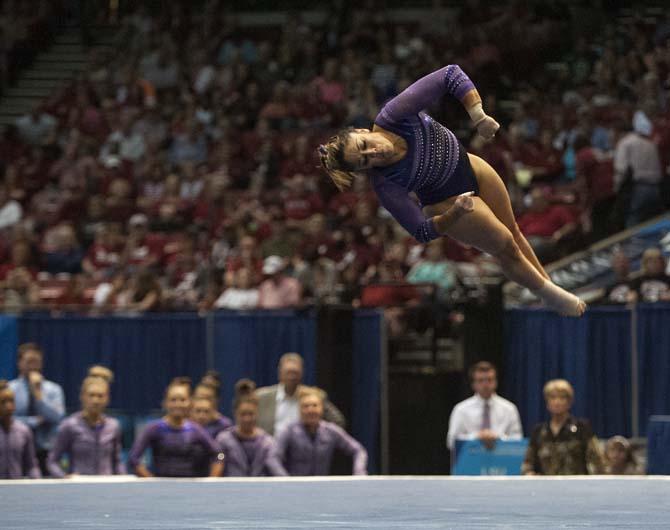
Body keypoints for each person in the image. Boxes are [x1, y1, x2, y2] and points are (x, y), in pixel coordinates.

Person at [318, 64, 585, 316]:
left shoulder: (394, 115)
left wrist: (478, 116)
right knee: (504, 244)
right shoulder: (386, 183)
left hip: (470, 165)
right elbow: (421, 231)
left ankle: (548, 293)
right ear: (364, 170)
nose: (374, 152)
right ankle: (548, 293)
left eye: (365, 144)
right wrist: (454, 215)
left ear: (364, 130)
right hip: (447, 200)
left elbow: (450, 74)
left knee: (514, 231)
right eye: (365, 160)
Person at [128, 377, 224, 478]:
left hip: (189, 488)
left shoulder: (195, 429)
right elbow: (134, 458)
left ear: (190, 402)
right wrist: (150, 480)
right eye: (173, 400)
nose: (178, 404)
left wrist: (212, 481)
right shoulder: (155, 428)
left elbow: (219, 455)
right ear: (165, 402)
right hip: (161, 487)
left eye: (182, 400)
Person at [270, 387, 368, 476]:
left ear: (321, 408)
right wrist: (286, 480)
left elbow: (358, 450)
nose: (310, 410)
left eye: (314, 405)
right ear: (299, 409)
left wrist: (359, 473)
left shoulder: (331, 430)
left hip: (322, 487)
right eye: (306, 406)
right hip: (295, 487)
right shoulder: (289, 430)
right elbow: (273, 458)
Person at [47, 368, 125, 477]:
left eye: (100, 396)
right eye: (91, 395)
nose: (95, 401)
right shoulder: (70, 425)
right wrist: (64, 477)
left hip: (107, 486)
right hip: (79, 486)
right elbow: (52, 461)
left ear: (107, 398)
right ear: (82, 396)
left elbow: (117, 461)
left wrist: (123, 479)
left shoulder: (113, 426)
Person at [522, 379, 604, 475]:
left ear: (569, 402)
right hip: (546, 487)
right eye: (552, 397)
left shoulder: (582, 428)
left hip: (576, 486)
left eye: (562, 398)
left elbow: (596, 462)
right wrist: (530, 474)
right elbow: (528, 464)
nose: (557, 402)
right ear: (547, 403)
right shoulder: (539, 431)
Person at [8, 343, 65, 476]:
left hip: (46, 450)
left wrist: (38, 395)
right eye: (29, 362)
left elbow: (57, 417)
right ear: (19, 363)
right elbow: (7, 419)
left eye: (36, 362)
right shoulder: (10, 390)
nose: (33, 366)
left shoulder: (54, 390)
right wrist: (32, 421)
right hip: (17, 450)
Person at [256, 352, 345, 436]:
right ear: (280, 373)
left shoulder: (313, 396)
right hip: (270, 448)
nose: (292, 377)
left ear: (302, 374)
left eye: (295, 373)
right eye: (288, 373)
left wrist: (320, 439)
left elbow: (338, 421)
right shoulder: (261, 397)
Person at [446, 361, 523, 453]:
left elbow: (518, 440)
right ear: (473, 384)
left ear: (496, 382)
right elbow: (451, 442)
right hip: (471, 461)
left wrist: (498, 438)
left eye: (490, 380)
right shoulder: (461, 409)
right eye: (481, 380)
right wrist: (476, 437)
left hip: (500, 460)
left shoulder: (509, 409)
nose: (485, 385)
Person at [215, 379, 283, 477]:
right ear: (235, 414)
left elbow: (275, 467)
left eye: (251, 414)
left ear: (257, 413)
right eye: (243, 414)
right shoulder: (223, 440)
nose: (247, 419)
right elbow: (218, 463)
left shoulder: (267, 442)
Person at [0, 379, 41, 479]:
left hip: (16, 489)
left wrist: (37, 482)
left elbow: (31, 465)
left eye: (11, 401)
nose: (9, 406)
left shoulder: (24, 431)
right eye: (3, 402)